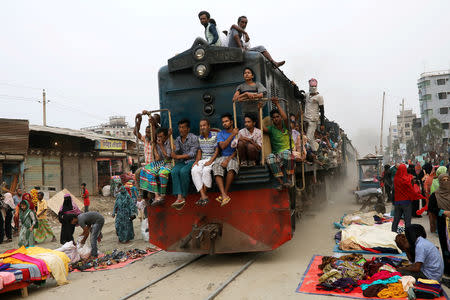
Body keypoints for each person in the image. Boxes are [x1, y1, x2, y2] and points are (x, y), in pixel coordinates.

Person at [261, 98, 294, 190]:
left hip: (288, 152)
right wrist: (259, 109)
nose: (276, 119)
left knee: (286, 154)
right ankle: (281, 183)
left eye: (277, 116)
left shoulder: (286, 126)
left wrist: (277, 104)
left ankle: (288, 179)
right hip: (277, 155)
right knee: (270, 158)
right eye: (274, 118)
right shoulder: (271, 129)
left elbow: (285, 118)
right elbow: (262, 128)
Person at [170, 119, 199, 209]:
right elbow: (177, 150)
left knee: (183, 172)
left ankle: (183, 195)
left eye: (183, 127)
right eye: (179, 127)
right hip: (182, 162)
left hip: (192, 161)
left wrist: (178, 157)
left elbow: (192, 154)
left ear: (188, 129)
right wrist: (170, 137)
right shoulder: (178, 139)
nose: (181, 129)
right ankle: (179, 197)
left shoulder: (194, 138)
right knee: (174, 171)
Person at [140, 128, 173, 206]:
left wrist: (161, 145)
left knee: (162, 173)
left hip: (170, 162)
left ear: (165, 136)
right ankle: (156, 196)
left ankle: (162, 195)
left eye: (161, 137)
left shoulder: (170, 142)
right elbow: (158, 158)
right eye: (158, 137)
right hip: (161, 162)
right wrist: (154, 147)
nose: (159, 138)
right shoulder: (157, 143)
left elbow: (168, 157)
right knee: (145, 170)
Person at [213, 113, 239, 206]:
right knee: (216, 167)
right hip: (223, 156)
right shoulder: (220, 134)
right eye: (223, 122)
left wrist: (228, 160)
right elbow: (223, 146)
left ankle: (224, 194)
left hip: (234, 156)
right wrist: (232, 135)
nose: (224, 123)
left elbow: (238, 149)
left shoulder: (238, 133)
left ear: (231, 122)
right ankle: (224, 195)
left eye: (226, 121)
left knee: (231, 167)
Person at [191, 119, 219, 206]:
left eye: (204, 125)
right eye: (201, 126)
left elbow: (217, 151)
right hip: (203, 159)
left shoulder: (215, 135)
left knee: (206, 171)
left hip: (213, 159)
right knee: (194, 170)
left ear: (208, 126)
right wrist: (196, 161)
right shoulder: (199, 138)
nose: (202, 127)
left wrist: (211, 161)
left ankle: (203, 196)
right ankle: (203, 195)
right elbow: (199, 151)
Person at [391, 164, 426, 233]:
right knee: (407, 221)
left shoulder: (396, 178)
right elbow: (411, 190)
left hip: (397, 202)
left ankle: (393, 233)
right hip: (406, 202)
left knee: (396, 219)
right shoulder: (408, 179)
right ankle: (408, 235)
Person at [304, 78, 324, 152]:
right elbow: (298, 96)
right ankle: (315, 149)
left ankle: (309, 152)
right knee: (311, 138)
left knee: (308, 138)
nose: (313, 88)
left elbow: (322, 111)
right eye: (311, 86)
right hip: (306, 119)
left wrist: (322, 123)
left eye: (314, 86)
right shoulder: (306, 95)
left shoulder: (319, 97)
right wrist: (295, 86)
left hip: (313, 120)